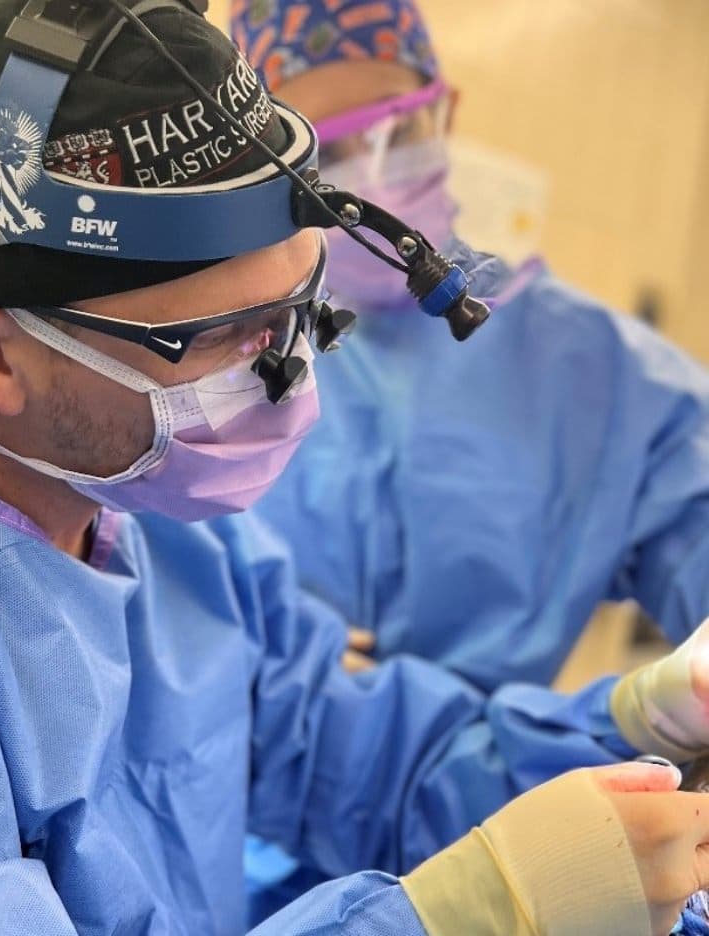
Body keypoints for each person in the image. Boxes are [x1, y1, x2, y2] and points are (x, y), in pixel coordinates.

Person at [0, 1, 709, 934]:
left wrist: (647, 722)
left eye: (303, 312)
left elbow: (366, 762)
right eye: (224, 337)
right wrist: (461, 915)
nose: (290, 375)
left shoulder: (150, 519)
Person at [231, 0, 709, 690]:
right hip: (261, 774)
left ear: (445, 112)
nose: (373, 175)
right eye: (328, 151)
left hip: (510, 774)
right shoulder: (225, 349)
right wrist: (260, 655)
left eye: (401, 128)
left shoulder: (582, 365)